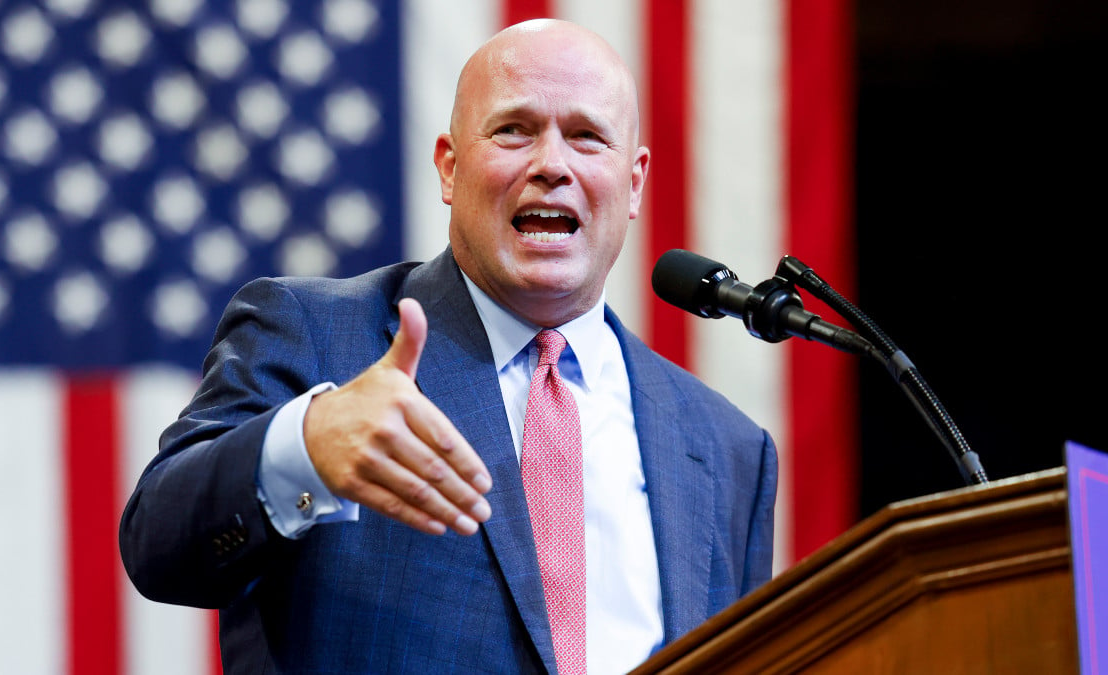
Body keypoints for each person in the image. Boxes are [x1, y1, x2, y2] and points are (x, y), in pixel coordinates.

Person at [120, 18, 777, 675]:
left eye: (586, 137)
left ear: (633, 183)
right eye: (514, 129)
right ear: (449, 167)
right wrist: (307, 445)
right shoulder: (316, 333)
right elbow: (158, 541)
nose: (552, 165)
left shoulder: (727, 448)